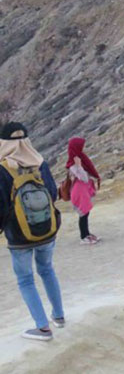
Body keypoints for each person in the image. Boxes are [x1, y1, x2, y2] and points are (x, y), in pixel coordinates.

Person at [0, 123, 65, 341]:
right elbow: (53, 193)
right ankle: (59, 316)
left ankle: (42, 327)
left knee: (25, 280)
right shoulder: (39, 162)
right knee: (47, 270)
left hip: (19, 237)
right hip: (47, 230)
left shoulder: (2, 167)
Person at [67, 138, 101, 244]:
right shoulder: (73, 163)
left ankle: (87, 234)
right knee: (83, 214)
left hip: (82, 191)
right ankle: (84, 237)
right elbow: (84, 178)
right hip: (79, 192)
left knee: (86, 213)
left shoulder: (80, 157)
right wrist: (79, 165)